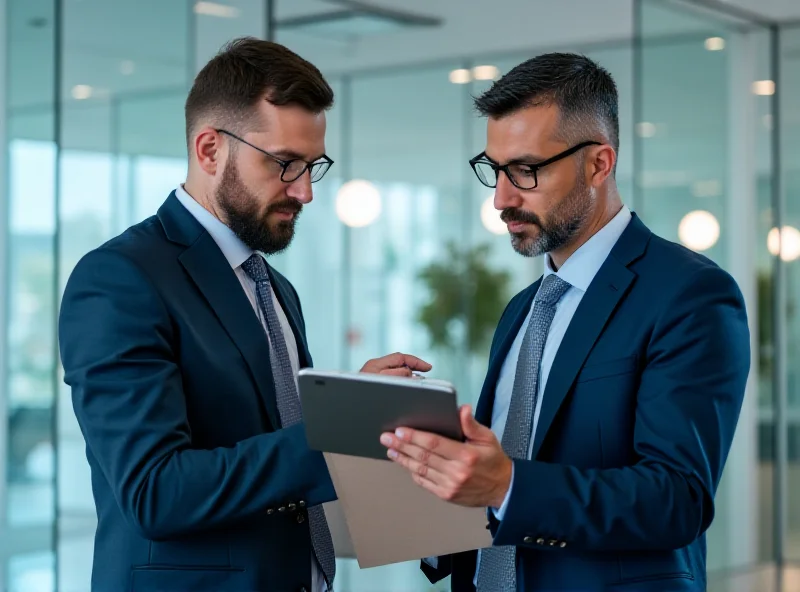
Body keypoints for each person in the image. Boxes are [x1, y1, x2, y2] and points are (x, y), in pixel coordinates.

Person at [58, 37, 430, 592]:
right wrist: (343, 430)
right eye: (284, 164)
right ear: (209, 150)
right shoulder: (119, 278)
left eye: (313, 166)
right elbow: (156, 493)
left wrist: (354, 405)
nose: (304, 191)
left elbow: (272, 444)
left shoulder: (274, 287)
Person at [380, 53, 749, 591]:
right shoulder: (523, 309)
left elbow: (677, 500)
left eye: (526, 170)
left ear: (599, 164)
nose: (502, 199)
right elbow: (501, 480)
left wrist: (507, 484)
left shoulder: (690, 294)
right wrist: (438, 487)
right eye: (496, 170)